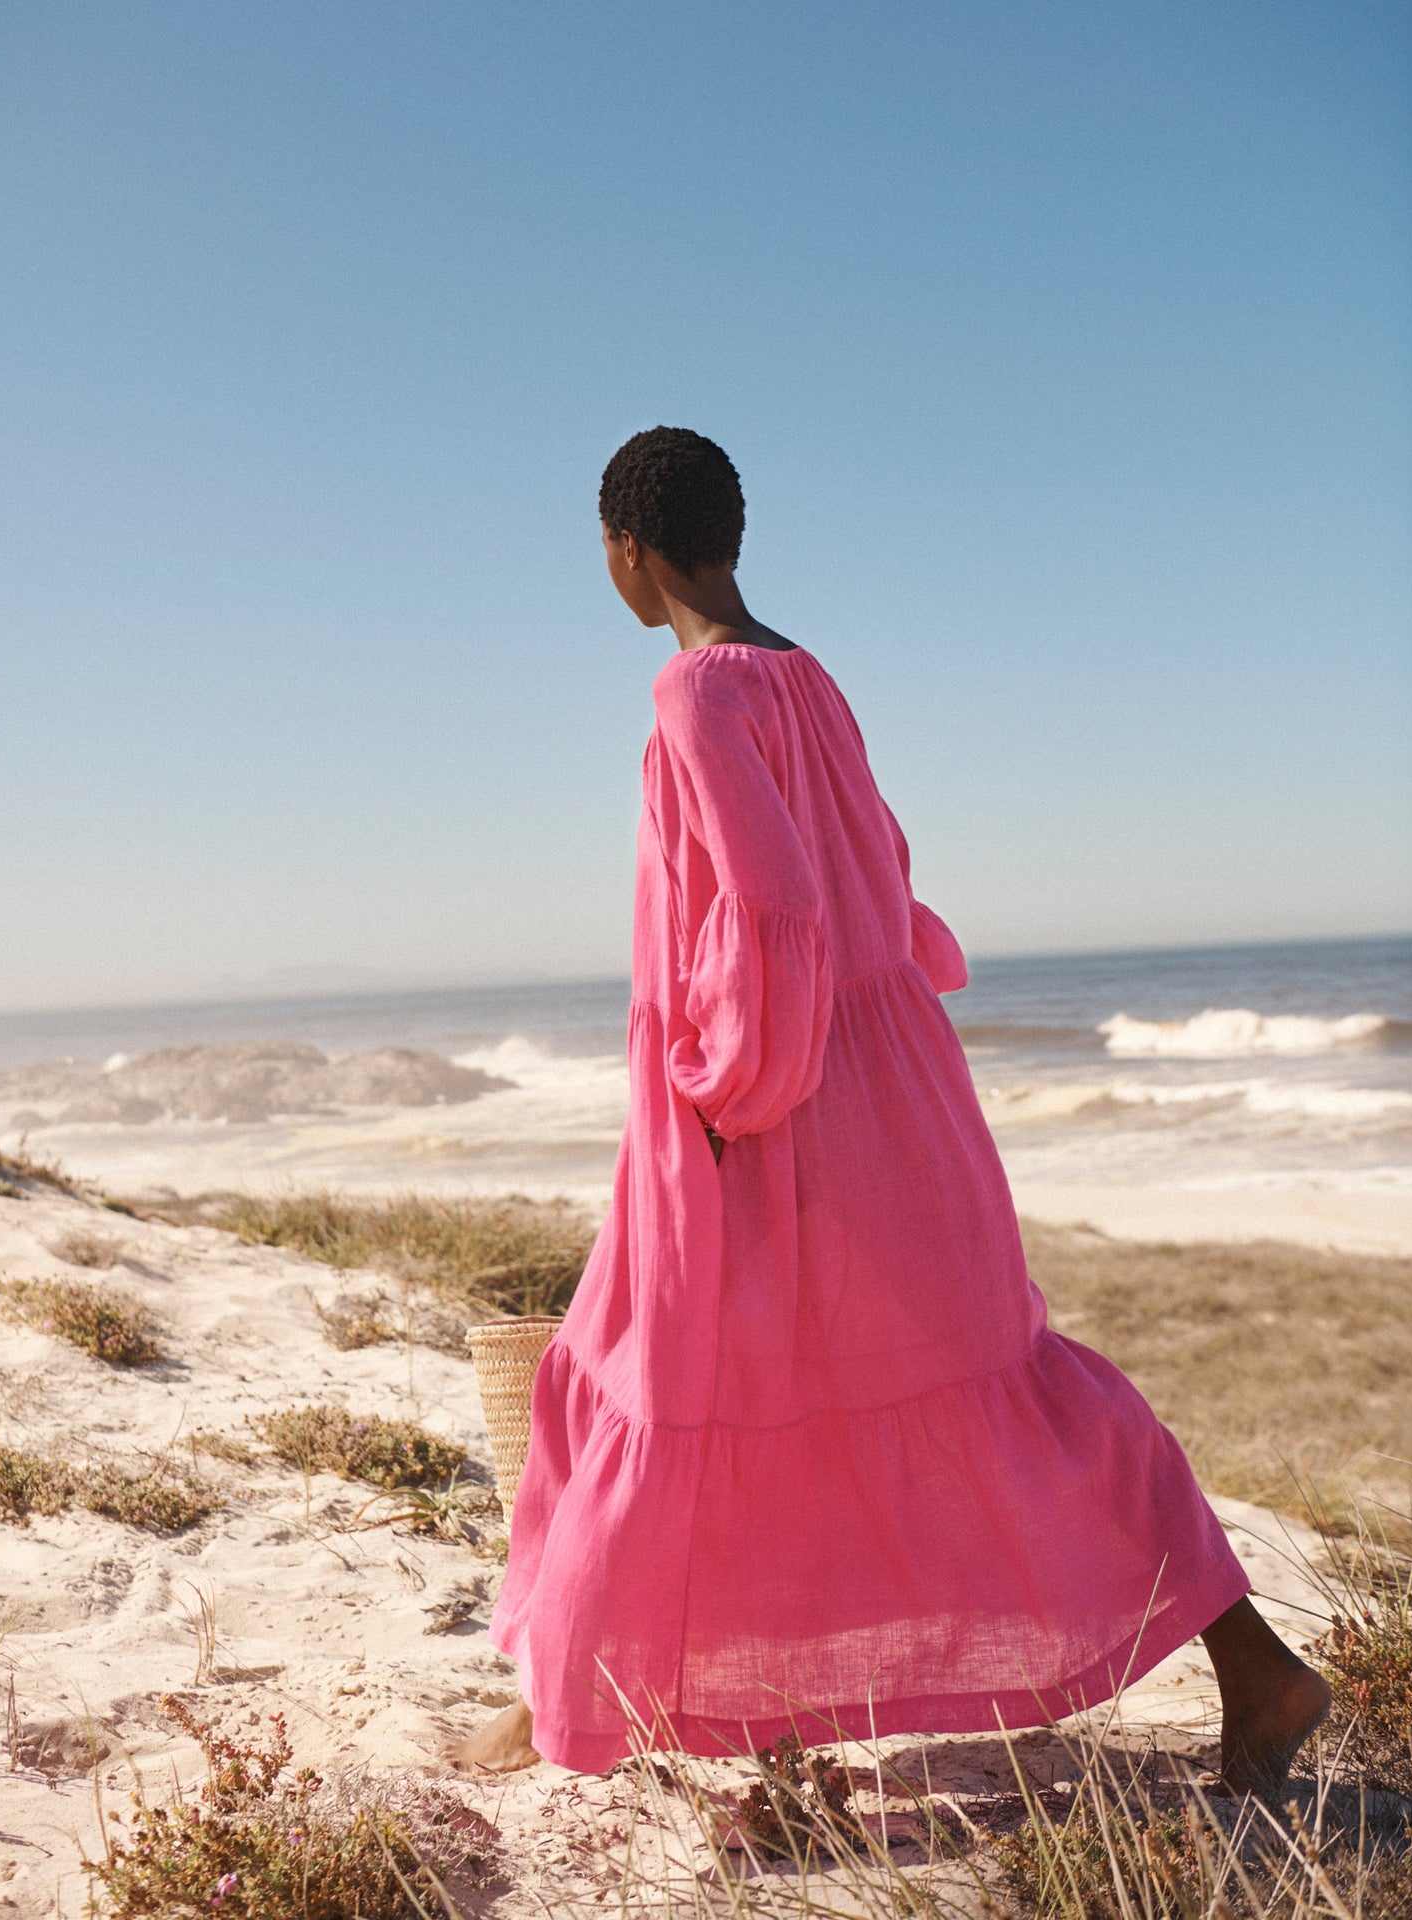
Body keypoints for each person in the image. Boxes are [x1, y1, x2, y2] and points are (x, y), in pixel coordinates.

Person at [455, 426, 1331, 1791]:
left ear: (627, 552)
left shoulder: (692, 695)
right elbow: (880, 868)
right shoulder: (804, 672)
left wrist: (729, 1089)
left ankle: (561, 1704)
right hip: (882, 1087)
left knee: (648, 1377)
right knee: (992, 1390)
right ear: (726, 536)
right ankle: (557, 1694)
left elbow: (775, 907)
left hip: (767, 1103)